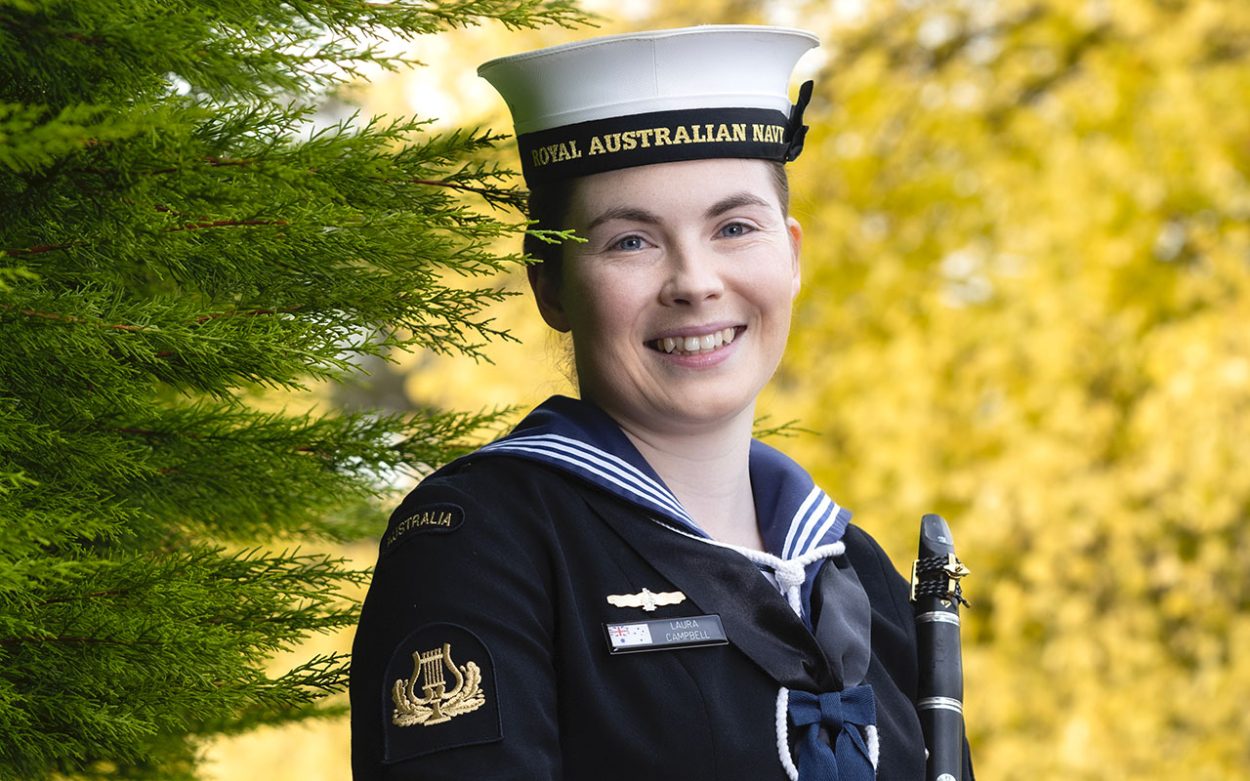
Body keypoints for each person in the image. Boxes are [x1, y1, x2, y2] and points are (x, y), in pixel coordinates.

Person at [351, 25, 973, 780]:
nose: (694, 281)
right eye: (631, 242)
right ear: (549, 284)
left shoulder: (857, 572)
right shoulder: (478, 544)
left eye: (735, 227)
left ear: (794, 253)